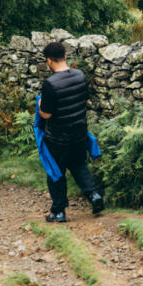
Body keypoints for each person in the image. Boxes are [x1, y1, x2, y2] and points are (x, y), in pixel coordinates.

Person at [36, 40, 102, 222]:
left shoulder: (49, 83)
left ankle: (59, 211)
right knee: (79, 165)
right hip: (80, 133)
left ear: (49, 61)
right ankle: (94, 195)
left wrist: (40, 105)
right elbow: (85, 101)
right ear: (65, 56)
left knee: (55, 172)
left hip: (58, 138)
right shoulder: (80, 76)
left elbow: (46, 114)